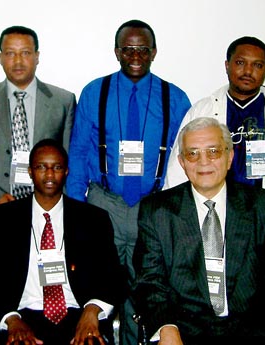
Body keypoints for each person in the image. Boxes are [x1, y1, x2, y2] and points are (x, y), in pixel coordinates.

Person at [66, 19, 191, 344]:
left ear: (153, 52)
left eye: (143, 49)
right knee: (96, 285)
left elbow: (184, 156)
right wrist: (74, 211)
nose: (135, 55)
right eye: (128, 49)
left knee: (146, 287)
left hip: (152, 206)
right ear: (117, 52)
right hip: (102, 204)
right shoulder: (95, 92)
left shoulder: (175, 98)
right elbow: (78, 152)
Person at [133, 117, 265, 345]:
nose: (203, 162)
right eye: (192, 154)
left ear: (230, 157)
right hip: (184, 332)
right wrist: (166, 328)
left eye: (213, 151)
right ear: (182, 162)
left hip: (252, 332)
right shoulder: (157, 211)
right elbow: (150, 282)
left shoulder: (261, 206)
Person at [164, 36, 265, 259]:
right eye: (240, 63)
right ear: (227, 66)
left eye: (257, 65)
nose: (248, 71)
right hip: (213, 225)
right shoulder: (203, 110)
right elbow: (178, 173)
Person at [0, 138, 126, 345]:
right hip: (20, 315)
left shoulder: (92, 219)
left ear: (67, 172)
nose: (50, 174)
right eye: (41, 167)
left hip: (78, 315)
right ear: (30, 172)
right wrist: (10, 320)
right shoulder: (1, 220)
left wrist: (92, 310)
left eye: (57, 167)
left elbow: (113, 276)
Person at [0, 25, 76, 235]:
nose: (18, 61)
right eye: (10, 53)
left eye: (25, 53)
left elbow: (68, 160)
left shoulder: (63, 102)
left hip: (47, 210)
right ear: (0, 57)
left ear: (37, 56)